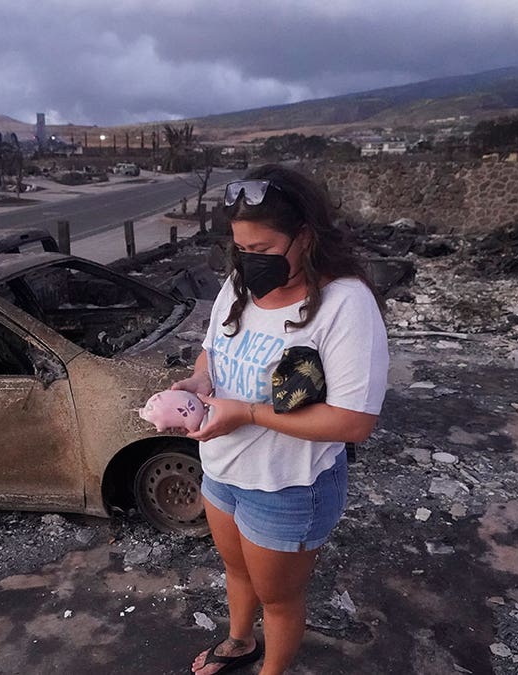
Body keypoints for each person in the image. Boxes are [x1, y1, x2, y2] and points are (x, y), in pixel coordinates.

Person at [171, 165, 389, 675]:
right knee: (236, 572)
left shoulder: (345, 305)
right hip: (222, 467)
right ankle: (240, 642)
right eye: (241, 250)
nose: (250, 263)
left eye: (264, 251)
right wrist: (201, 382)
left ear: (306, 237)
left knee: (280, 600)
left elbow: (355, 423)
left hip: (287, 484)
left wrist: (247, 413)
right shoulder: (238, 285)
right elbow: (211, 353)